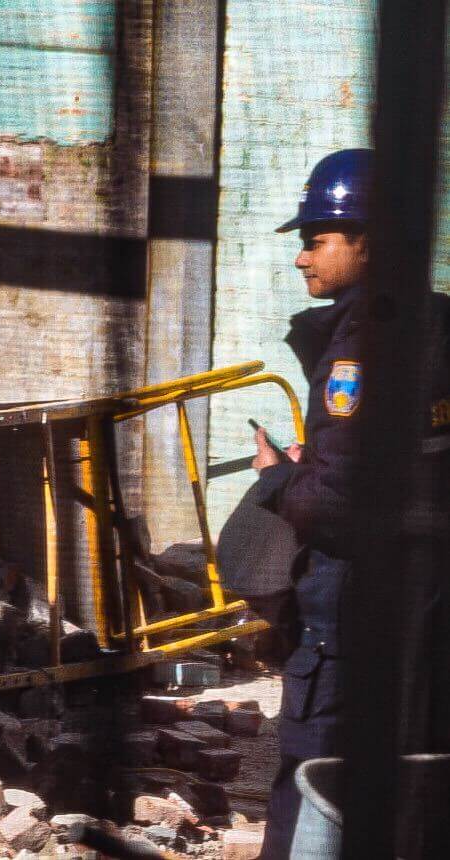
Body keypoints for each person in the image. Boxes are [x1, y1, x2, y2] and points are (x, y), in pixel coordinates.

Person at [253, 149, 372, 859]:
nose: (302, 259)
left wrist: (276, 477)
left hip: (349, 605)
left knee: (313, 776)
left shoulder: (359, 352)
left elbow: (333, 501)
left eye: (317, 239)